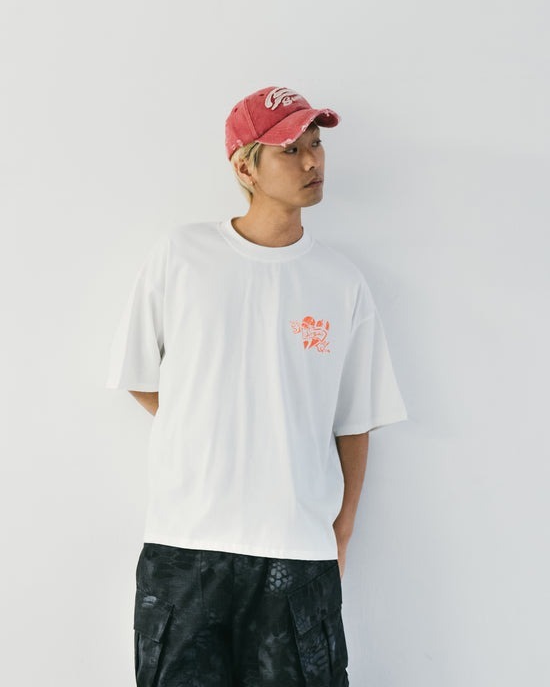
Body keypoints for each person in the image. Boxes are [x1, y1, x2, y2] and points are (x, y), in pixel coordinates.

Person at [106, 85, 408, 686]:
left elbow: (355, 419)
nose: (312, 161)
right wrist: (210, 426)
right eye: (290, 150)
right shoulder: (182, 254)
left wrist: (342, 528)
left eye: (316, 144)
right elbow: (141, 375)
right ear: (245, 167)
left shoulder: (340, 281)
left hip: (297, 552)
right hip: (186, 546)